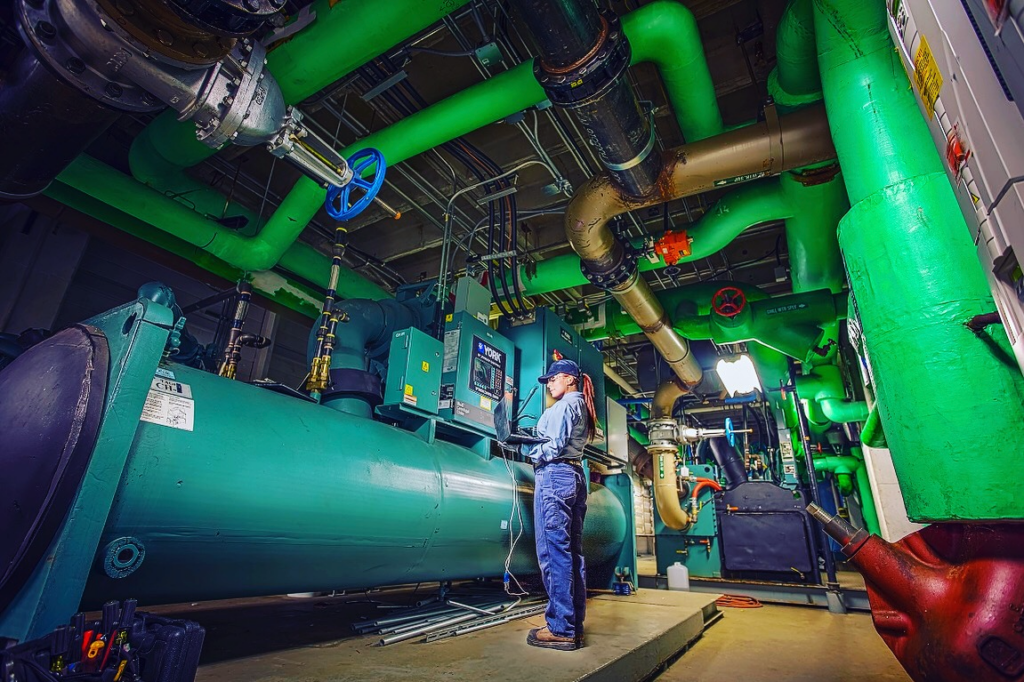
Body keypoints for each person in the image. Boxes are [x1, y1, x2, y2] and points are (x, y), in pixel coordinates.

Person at [525, 358, 598, 651]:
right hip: (574, 476)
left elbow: (551, 446)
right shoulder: (581, 405)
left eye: (553, 379)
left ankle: (560, 629)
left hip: (555, 476)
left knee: (553, 553)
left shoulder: (565, 406)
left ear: (568, 379)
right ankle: (572, 625)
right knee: (571, 554)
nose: (550, 384)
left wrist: (528, 450)